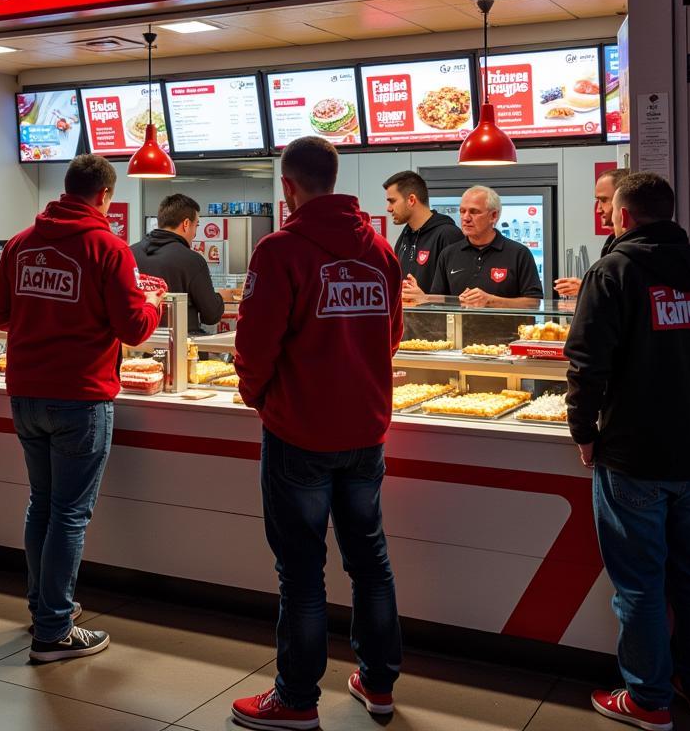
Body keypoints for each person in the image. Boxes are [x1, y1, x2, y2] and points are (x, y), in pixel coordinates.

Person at [230, 137, 404, 730]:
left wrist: (260, 398)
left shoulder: (280, 250)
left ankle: (297, 699)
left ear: (288, 187)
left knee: (302, 571)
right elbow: (392, 335)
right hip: (365, 434)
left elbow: (253, 348)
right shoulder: (379, 249)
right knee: (369, 561)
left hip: (299, 434)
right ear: (335, 179)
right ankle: (378, 684)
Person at [566, 172, 690, 729]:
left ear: (624, 216)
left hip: (633, 455)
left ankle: (647, 698)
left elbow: (587, 365)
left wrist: (582, 431)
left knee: (639, 581)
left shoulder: (613, 271)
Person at [0, 154, 163, 665]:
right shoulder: (108, 248)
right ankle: (54, 630)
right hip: (81, 398)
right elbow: (133, 329)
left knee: (42, 503)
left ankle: (43, 606)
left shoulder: (20, 244)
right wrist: (152, 302)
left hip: (25, 395)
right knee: (68, 514)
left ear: (65, 190)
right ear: (105, 196)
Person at [405, 186, 542, 307]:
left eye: (474, 212)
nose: (466, 218)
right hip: (459, 334)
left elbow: (534, 303)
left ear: (493, 216)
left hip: (510, 336)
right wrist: (423, 297)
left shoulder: (519, 253)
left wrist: (490, 301)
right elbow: (441, 300)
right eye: (462, 211)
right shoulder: (448, 254)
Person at [130, 193, 231, 334]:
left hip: (138, 343)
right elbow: (211, 315)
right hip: (181, 346)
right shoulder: (192, 260)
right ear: (186, 224)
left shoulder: (130, 253)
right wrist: (220, 298)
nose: (195, 233)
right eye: (196, 225)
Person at [384, 171, 464, 294]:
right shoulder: (405, 235)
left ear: (411, 200)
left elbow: (459, 297)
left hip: (434, 314)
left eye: (392, 201)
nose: (388, 208)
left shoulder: (448, 234)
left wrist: (425, 299)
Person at [554, 167, 629, 298]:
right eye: (597, 201)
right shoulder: (612, 243)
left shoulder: (632, 251)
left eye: (604, 200)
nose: (598, 209)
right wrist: (587, 287)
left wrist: (586, 289)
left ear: (621, 201)